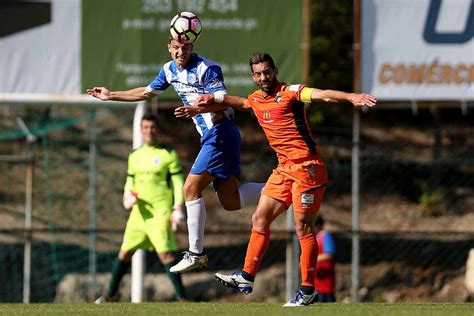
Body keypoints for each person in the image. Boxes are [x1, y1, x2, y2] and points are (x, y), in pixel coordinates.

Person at [191, 52, 376, 306]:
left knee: (303, 227)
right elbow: (241, 103)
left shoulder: (290, 92)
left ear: (274, 71)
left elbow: (321, 94)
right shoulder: (256, 99)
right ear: (253, 76)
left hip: (308, 168)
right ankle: (246, 276)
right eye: (258, 74)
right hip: (284, 169)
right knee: (259, 217)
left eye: (267, 72)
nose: (263, 77)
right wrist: (212, 98)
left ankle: (308, 290)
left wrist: (350, 97)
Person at [87, 36, 264, 274]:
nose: (181, 51)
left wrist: (197, 108)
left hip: (220, 133)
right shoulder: (169, 70)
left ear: (192, 47)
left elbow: (223, 102)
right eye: (177, 47)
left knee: (190, 188)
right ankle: (283, 189)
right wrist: (111, 95)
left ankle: (196, 253)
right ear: (169, 48)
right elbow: (147, 92)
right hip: (216, 137)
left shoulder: (207, 68)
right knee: (231, 201)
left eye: (186, 47)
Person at [95, 113, 186, 303]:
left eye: (152, 127)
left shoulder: (167, 154)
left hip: (160, 211)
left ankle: (182, 298)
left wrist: (177, 208)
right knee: (125, 252)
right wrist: (127, 195)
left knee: (165, 254)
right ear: (140, 130)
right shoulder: (135, 155)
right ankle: (110, 295)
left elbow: (178, 183)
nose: (149, 131)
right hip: (139, 214)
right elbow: (130, 181)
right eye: (145, 127)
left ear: (157, 129)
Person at [314, 215, 336, 303]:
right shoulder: (316, 237)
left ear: (317, 225)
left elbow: (329, 254)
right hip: (317, 280)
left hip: (325, 280)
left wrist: (312, 259)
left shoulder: (326, 236)